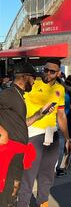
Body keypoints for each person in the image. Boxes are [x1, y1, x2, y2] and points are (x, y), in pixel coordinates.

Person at [18, 59, 71, 207]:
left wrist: (67, 138)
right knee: (28, 175)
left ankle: (43, 203)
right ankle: (23, 204)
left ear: (58, 73)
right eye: (45, 70)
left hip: (51, 135)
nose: (47, 73)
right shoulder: (33, 83)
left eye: (52, 71)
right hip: (32, 134)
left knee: (47, 175)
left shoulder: (60, 89)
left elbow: (61, 115)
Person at [0, 62, 55, 207]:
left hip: (18, 151)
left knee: (13, 190)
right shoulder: (9, 93)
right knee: (8, 191)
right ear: (24, 77)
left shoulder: (19, 95)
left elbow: (20, 124)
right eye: (33, 78)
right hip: (9, 152)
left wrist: (38, 115)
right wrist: (2, 131)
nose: (34, 81)